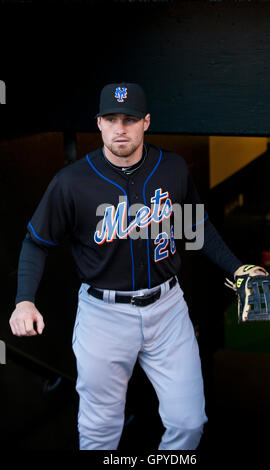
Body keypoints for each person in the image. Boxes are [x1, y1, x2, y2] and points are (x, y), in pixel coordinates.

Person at [9, 82, 256, 450]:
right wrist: (24, 299)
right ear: (99, 124)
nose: (120, 128)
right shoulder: (71, 182)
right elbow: (36, 241)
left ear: (146, 122)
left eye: (129, 119)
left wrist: (240, 269)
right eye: (111, 119)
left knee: (190, 423)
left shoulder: (171, 168)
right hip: (103, 316)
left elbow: (197, 226)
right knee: (100, 431)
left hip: (168, 310)